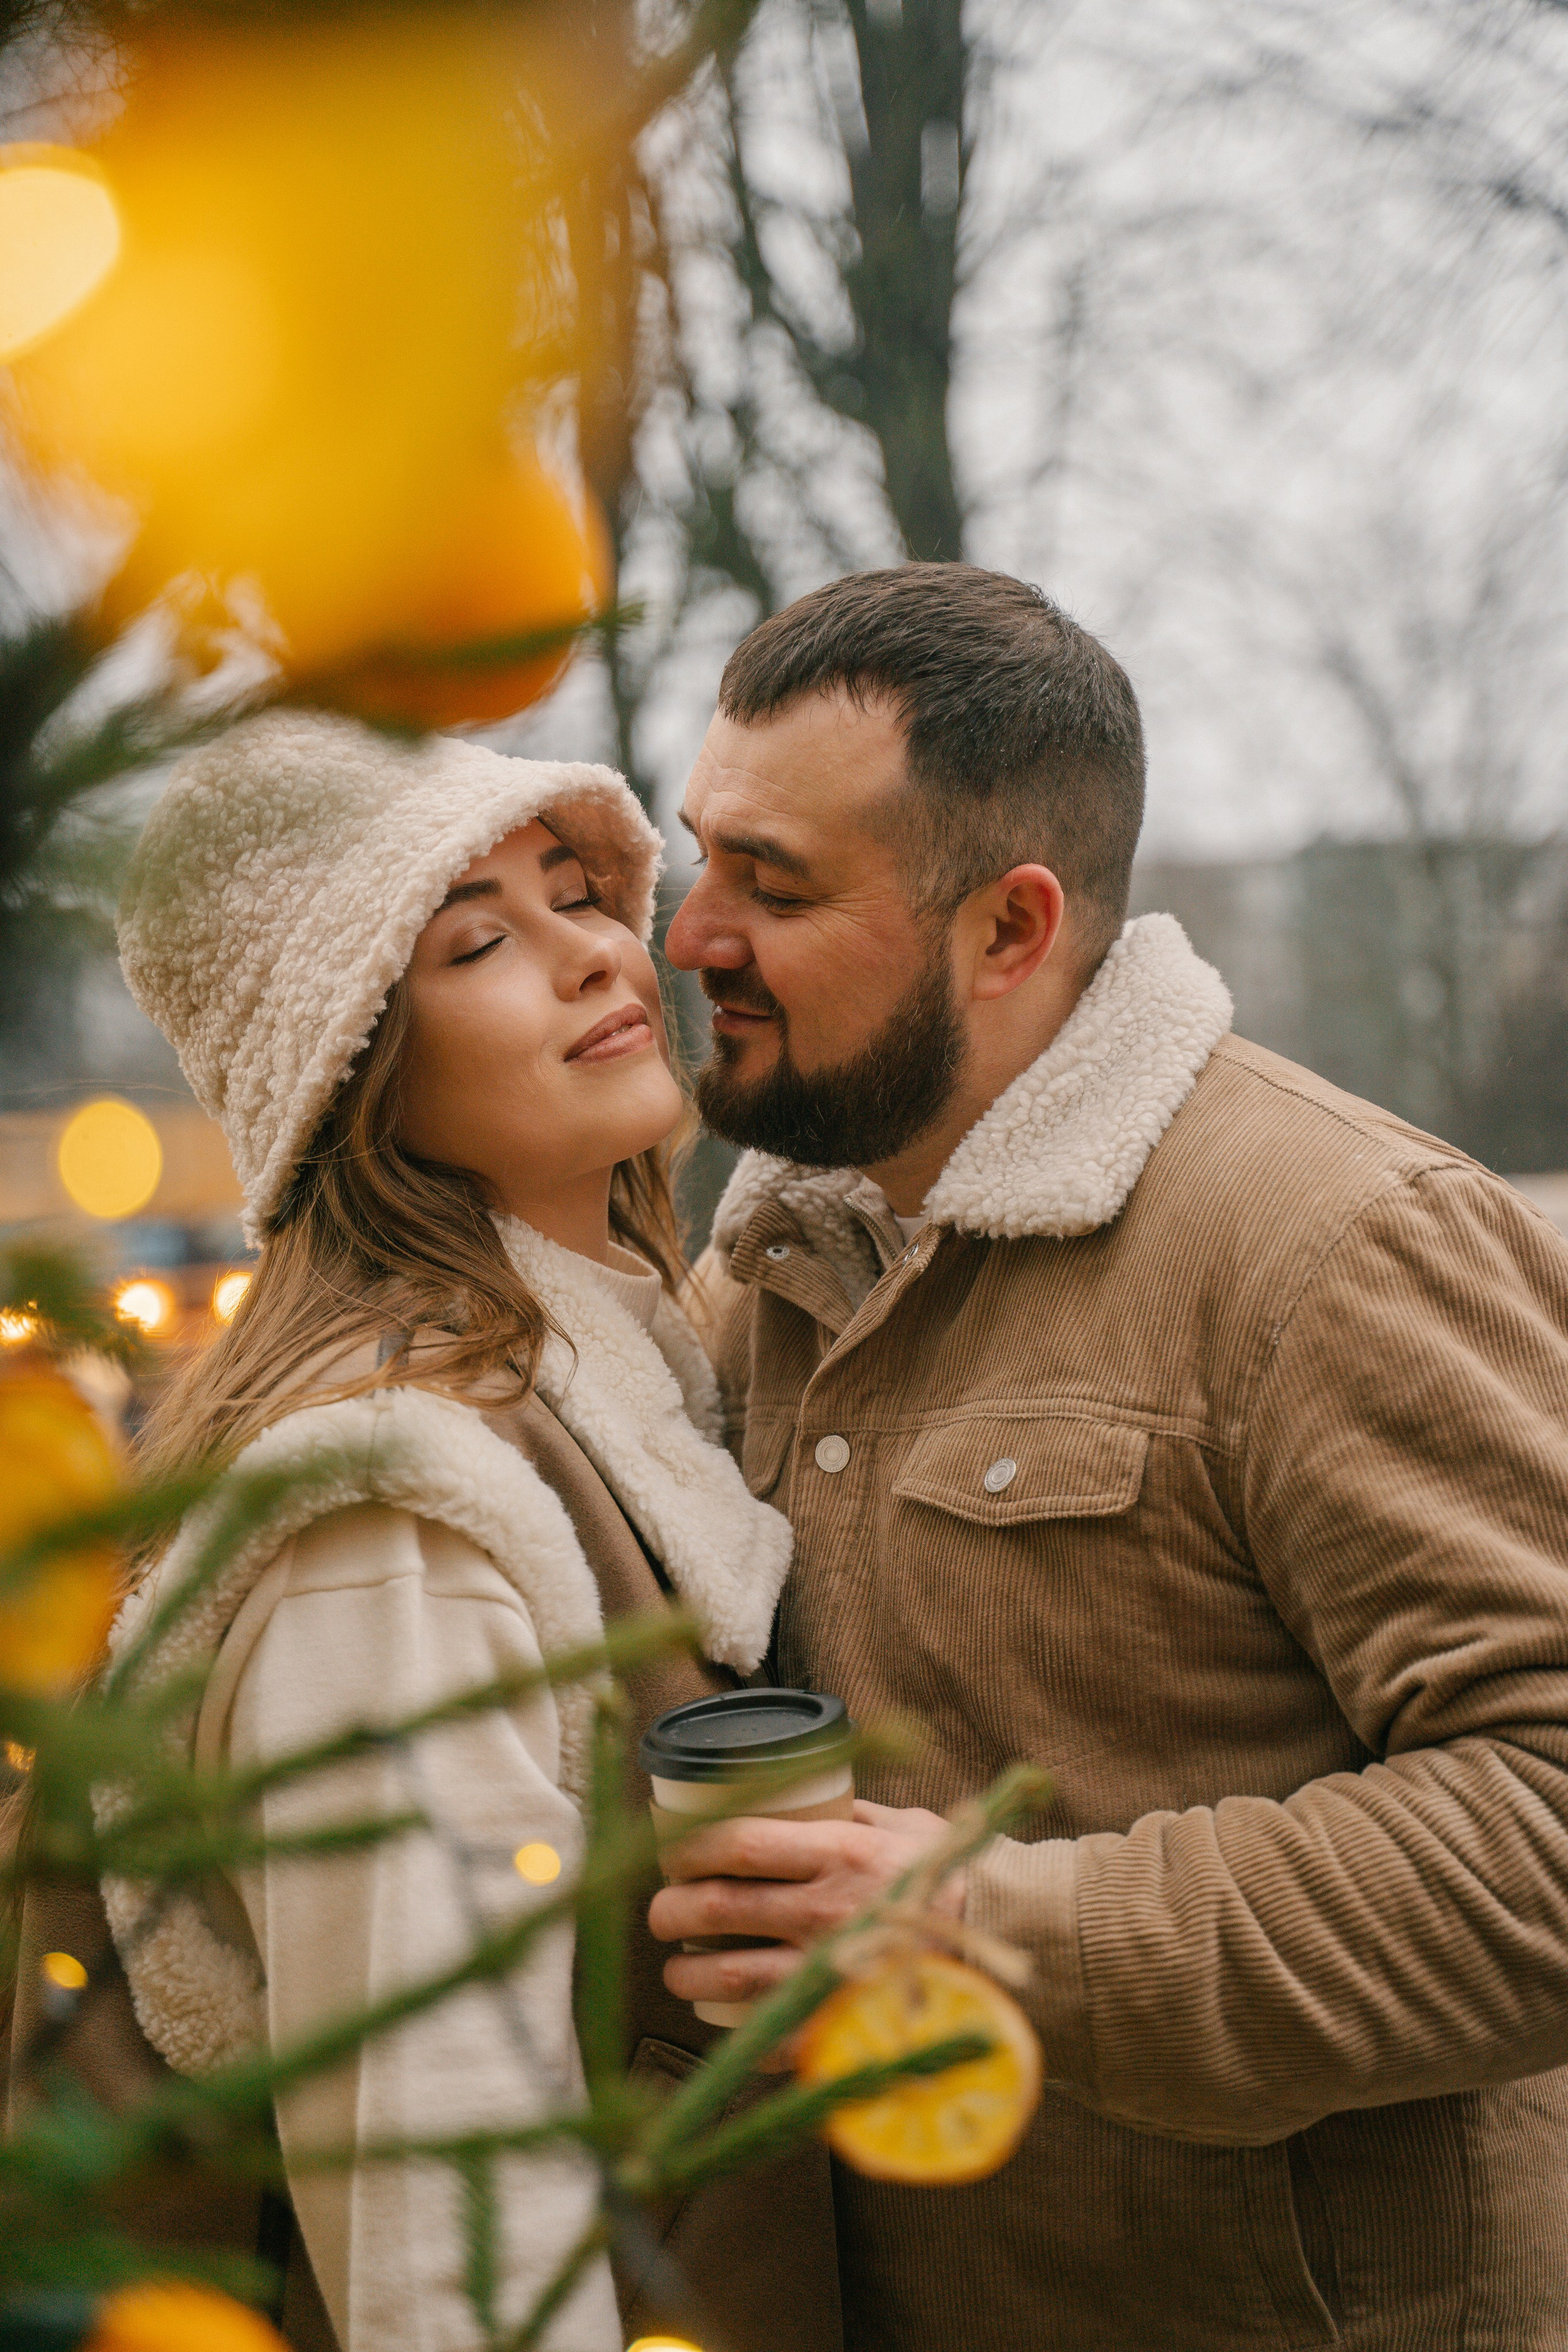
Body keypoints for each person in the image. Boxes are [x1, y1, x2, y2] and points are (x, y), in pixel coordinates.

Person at [654, 562, 1568, 2351]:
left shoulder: (1340, 1244)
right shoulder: (763, 1274)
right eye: (704, 854)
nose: (692, 934)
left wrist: (992, 1926)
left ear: (1010, 930)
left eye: (775, 884)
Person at [16, 711, 840, 2352]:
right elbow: (438, 2195)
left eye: (576, 893)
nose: (595, 958)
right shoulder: (391, 1501)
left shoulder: (612, 1377)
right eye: (475, 941)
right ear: (352, 1071)